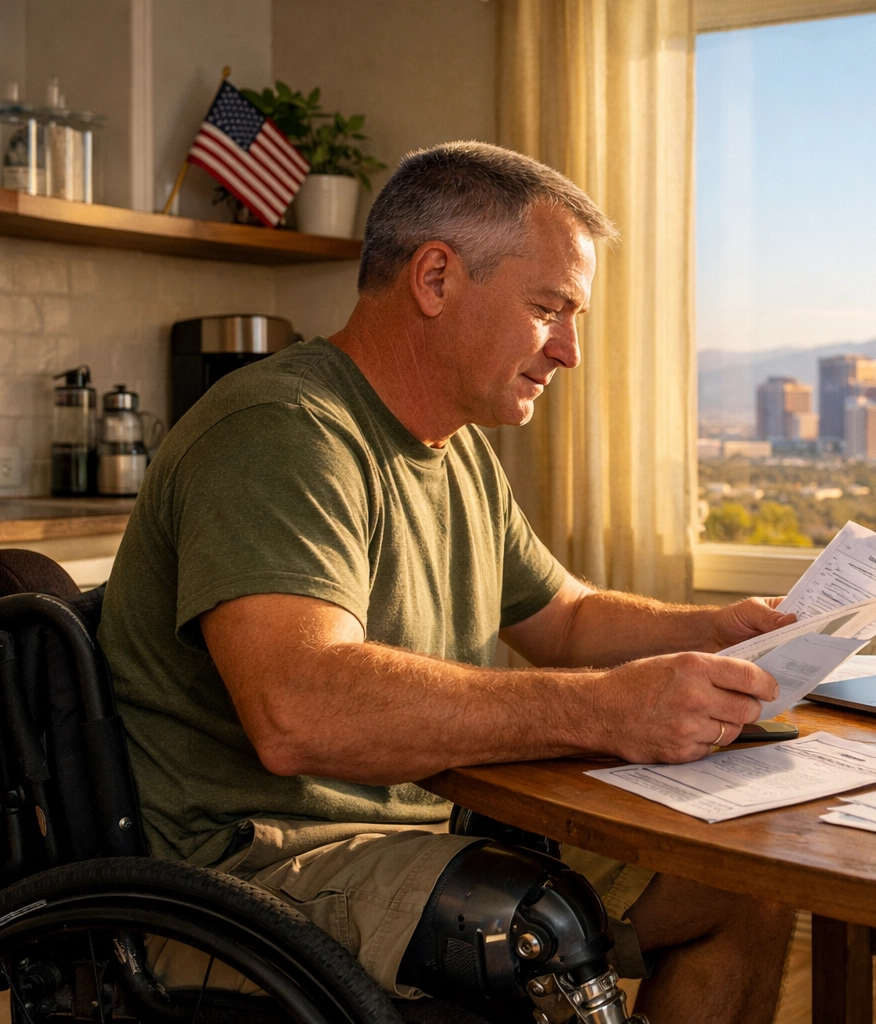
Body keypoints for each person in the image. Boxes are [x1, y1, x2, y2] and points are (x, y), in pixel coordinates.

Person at [98, 141, 798, 1022]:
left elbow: (568, 618)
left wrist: (718, 629)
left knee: (740, 883)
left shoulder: (454, 448)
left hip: (420, 828)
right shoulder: (280, 432)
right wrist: (602, 708)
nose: (571, 351)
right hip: (251, 870)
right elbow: (298, 708)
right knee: (539, 924)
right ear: (435, 279)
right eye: (550, 308)